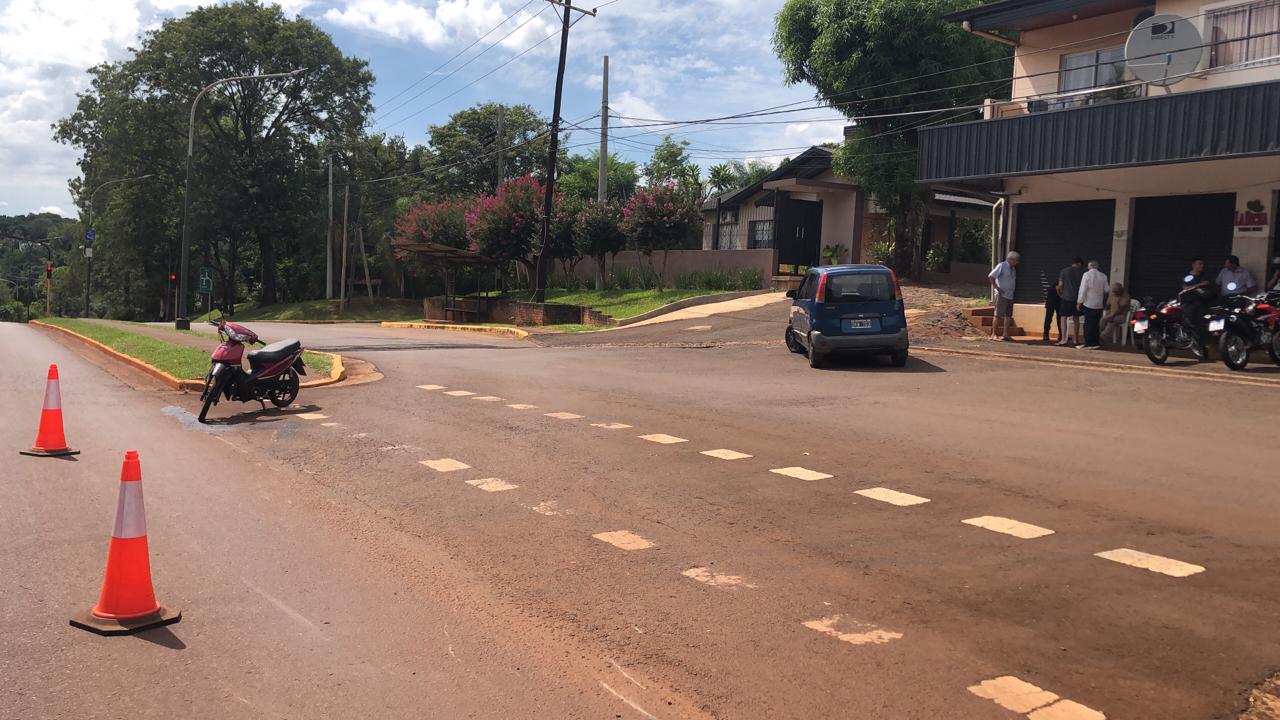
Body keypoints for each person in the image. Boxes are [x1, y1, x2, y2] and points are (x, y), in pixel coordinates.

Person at [987, 251, 1020, 341]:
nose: (1017, 262)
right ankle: (994, 334)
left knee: (1008, 315)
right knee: (997, 314)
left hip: (1010, 295)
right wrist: (997, 288)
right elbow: (991, 276)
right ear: (1011, 259)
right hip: (1002, 295)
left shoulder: (1013, 269)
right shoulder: (1002, 266)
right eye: (1016, 260)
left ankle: (1005, 334)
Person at [1076, 260, 1109, 349]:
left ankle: (1088, 343)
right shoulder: (1103, 276)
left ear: (1089, 266)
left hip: (1089, 303)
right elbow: (1106, 289)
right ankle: (1095, 342)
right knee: (1096, 324)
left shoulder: (1086, 275)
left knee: (1088, 324)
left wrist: (1079, 302)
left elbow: (1083, 289)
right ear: (1097, 266)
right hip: (1099, 304)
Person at [1055, 257, 1084, 346]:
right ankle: (1076, 339)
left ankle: (1063, 339)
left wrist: (1060, 294)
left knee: (1063, 318)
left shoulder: (1064, 271)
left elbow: (1060, 285)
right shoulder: (1083, 272)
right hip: (1078, 299)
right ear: (1079, 264)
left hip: (1066, 298)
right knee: (1076, 318)